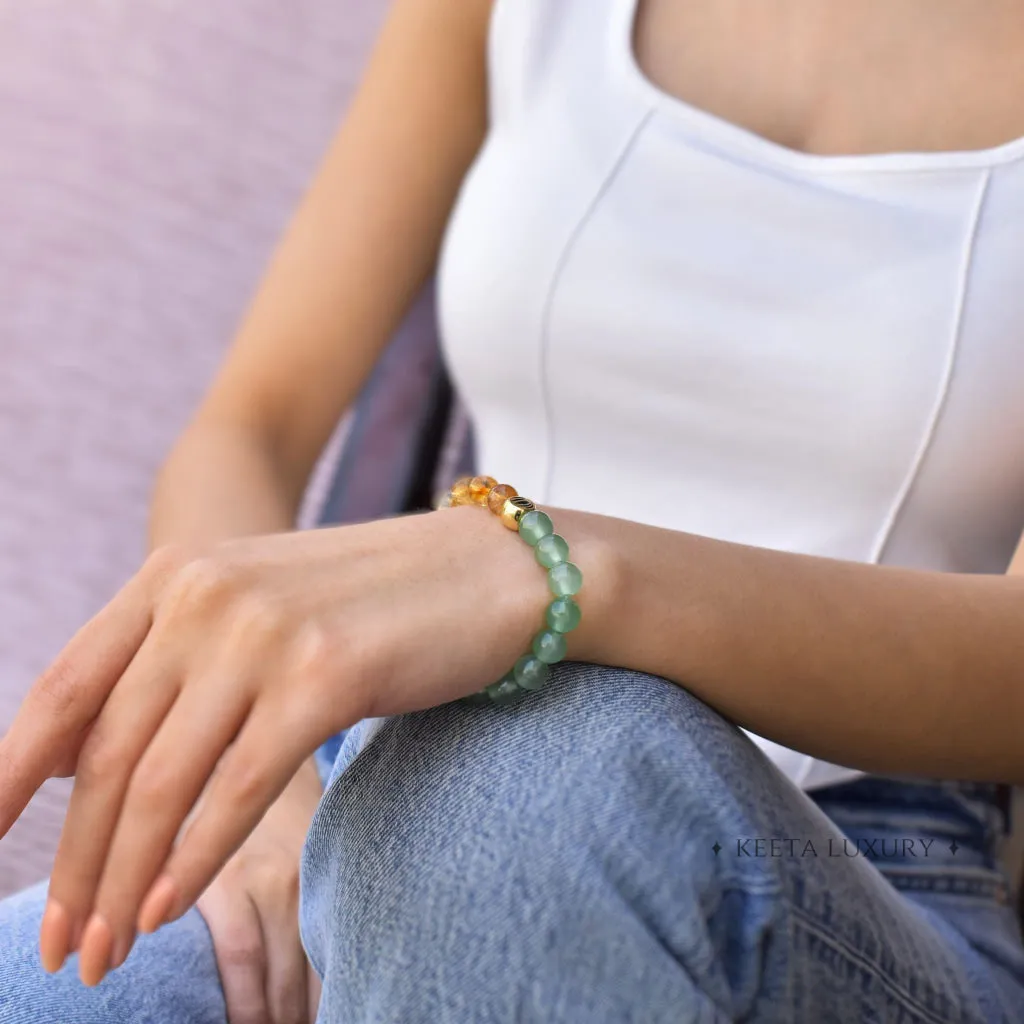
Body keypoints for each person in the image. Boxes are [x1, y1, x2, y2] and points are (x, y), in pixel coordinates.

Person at [1, 0, 1024, 1020]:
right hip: (389, 776)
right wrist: (262, 791)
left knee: (532, 769)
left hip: (868, 857)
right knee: (49, 990)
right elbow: (249, 428)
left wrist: (554, 570)